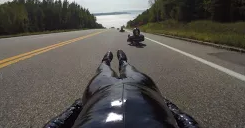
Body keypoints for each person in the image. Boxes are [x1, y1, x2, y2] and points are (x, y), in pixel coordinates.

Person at [44, 50, 200, 128]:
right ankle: (122, 60)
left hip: (103, 90)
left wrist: (79, 106)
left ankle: (108, 59)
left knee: (104, 70)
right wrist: (166, 104)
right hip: (140, 87)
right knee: (128, 68)